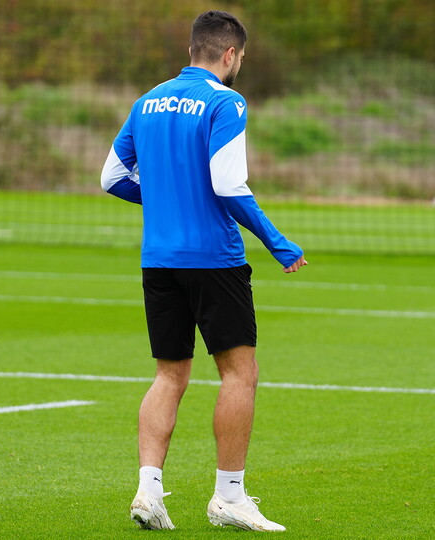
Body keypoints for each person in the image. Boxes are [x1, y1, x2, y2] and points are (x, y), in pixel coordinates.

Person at [101, 10, 306, 531]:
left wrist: (165, 198)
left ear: (193, 49)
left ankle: (149, 491)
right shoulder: (225, 101)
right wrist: (278, 243)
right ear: (231, 54)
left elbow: (112, 178)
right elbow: (229, 185)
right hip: (213, 260)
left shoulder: (146, 101)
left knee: (169, 375)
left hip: (158, 259)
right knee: (240, 373)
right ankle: (229, 497)